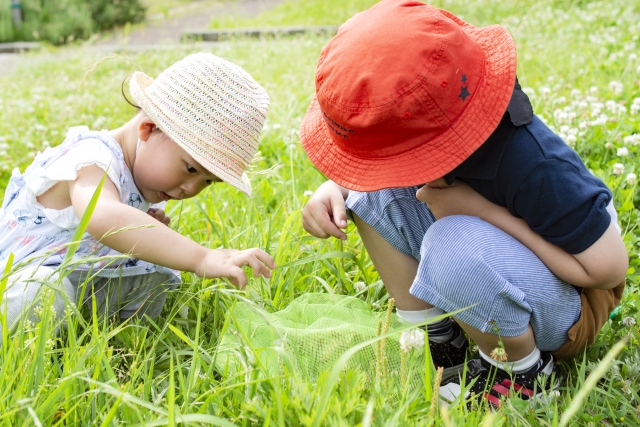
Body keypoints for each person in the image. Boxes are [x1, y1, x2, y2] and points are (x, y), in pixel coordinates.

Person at [300, 0, 627, 406]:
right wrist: (337, 186)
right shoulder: (437, 128)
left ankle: (524, 373)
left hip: (574, 305)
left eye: (387, 158)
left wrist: (479, 209)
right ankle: (443, 337)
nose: (382, 169)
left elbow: (608, 270)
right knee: (368, 195)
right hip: (506, 259)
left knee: (452, 244)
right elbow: (374, 179)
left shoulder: (534, 164)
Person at [0, 53, 275, 341]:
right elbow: (103, 217)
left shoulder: (140, 179)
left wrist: (147, 230)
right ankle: (24, 347)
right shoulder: (92, 158)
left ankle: (116, 343)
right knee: (41, 291)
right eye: (191, 168)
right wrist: (202, 257)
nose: (192, 189)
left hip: (75, 276)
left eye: (208, 181)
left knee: (157, 273)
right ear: (149, 128)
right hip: (19, 278)